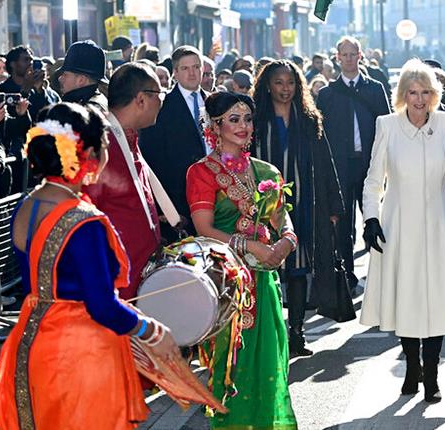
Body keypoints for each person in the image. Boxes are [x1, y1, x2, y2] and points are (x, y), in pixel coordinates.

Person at [0, 102, 178, 429]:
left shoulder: (27, 205)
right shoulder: (84, 221)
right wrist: (151, 330)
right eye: (106, 145)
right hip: (82, 350)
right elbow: (102, 306)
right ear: (89, 151)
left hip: (34, 339)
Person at [359, 59, 445, 403]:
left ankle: (433, 373)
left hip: (441, 222)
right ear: (402, 95)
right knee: (408, 298)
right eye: (412, 92)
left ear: (435, 93)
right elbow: (372, 179)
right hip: (399, 223)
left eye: (426, 92)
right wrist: (371, 218)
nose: (419, 99)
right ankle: (412, 367)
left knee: (438, 298)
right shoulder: (387, 125)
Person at [185, 92, 298, 429]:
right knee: (232, 363)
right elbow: (203, 228)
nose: (243, 126)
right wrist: (249, 246)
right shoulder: (201, 173)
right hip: (225, 286)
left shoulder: (266, 171)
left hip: (263, 282)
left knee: (269, 359)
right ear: (214, 126)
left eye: (247, 119)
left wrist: (288, 241)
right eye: (234, 120)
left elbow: (281, 218)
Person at [251, 59, 344, 357]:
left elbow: (325, 162)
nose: (285, 88)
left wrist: (333, 206)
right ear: (267, 85)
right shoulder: (255, 120)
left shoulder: (308, 119)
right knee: (270, 267)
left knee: (298, 269)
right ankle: (272, 334)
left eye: (290, 82)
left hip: (305, 202)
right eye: (278, 82)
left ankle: (297, 333)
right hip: (263, 206)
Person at [83, 62, 165, 300]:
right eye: (159, 94)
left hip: (139, 276)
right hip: (114, 284)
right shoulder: (102, 144)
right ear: (141, 99)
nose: (162, 101)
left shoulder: (129, 138)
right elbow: (86, 215)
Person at [317, 36, 392, 289]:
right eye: (344, 55)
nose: (349, 59)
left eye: (353, 54)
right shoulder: (327, 93)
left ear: (360, 56)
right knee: (343, 221)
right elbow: (321, 133)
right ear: (337, 58)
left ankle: (382, 272)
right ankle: (347, 274)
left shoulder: (374, 88)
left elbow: (387, 126)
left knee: (374, 217)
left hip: (370, 164)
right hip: (340, 166)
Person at [139, 45, 210, 240]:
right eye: (185, 68)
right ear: (175, 73)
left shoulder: (215, 102)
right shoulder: (161, 106)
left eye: (196, 67)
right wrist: (165, 206)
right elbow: (151, 158)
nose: (192, 73)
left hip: (215, 195)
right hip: (179, 198)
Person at [57, 40, 109, 112]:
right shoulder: (96, 103)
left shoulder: (87, 111)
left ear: (81, 80)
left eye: (65, 75)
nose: (60, 78)